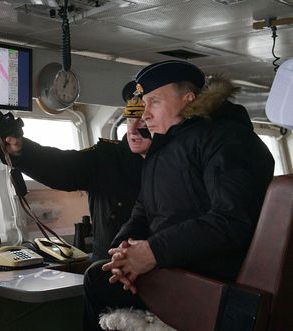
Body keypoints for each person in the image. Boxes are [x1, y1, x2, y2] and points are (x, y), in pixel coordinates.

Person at [83, 60, 275, 330]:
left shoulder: (227, 139)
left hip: (209, 281)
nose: (145, 114)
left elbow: (232, 221)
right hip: (175, 268)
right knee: (101, 274)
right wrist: (121, 255)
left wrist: (153, 252)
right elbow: (143, 213)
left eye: (154, 102)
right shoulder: (162, 150)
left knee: (95, 280)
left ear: (188, 99)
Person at [0, 81, 151, 260]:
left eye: (143, 120)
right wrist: (22, 151)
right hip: (110, 270)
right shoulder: (107, 157)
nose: (132, 129)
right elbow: (63, 166)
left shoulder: (178, 162)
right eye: (130, 119)